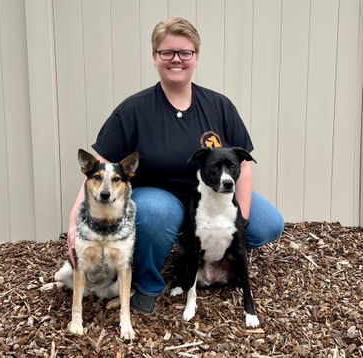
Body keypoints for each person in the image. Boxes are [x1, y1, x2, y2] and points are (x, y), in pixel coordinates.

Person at [67, 17, 284, 314]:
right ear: (154, 57)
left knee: (268, 224)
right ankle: (148, 284)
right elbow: (99, 167)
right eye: (167, 52)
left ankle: (206, 249)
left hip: (213, 198)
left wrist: (241, 220)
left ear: (196, 57)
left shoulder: (219, 105)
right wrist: (74, 222)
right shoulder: (134, 110)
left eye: (185, 52)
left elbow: (243, 167)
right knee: (156, 214)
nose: (176, 60)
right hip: (161, 197)